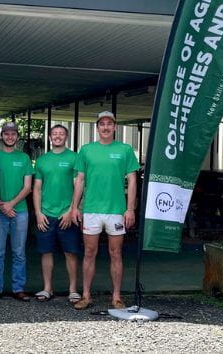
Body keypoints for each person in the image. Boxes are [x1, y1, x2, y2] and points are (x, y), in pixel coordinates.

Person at [70, 111, 139, 310]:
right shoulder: (86, 150)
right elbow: (80, 180)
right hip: (91, 209)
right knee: (89, 252)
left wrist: (130, 209)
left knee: (116, 253)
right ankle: (86, 295)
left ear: (115, 127)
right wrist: (75, 207)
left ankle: (116, 297)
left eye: (110, 123)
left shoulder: (125, 150)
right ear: (97, 127)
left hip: (116, 210)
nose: (106, 127)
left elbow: (132, 180)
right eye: (102, 124)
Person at [0, 121, 33, 302]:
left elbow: (28, 187)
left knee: (19, 251)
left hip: (20, 211)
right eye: (6, 134)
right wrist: (1, 204)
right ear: (1, 136)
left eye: (13, 134)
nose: (10, 137)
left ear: (17, 137)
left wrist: (11, 204)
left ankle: (18, 288)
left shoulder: (24, 158)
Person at [33, 124, 81, 304]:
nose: (58, 136)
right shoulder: (42, 160)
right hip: (46, 215)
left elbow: (78, 185)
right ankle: (47, 288)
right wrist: (38, 213)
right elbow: (36, 189)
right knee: (46, 252)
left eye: (61, 134)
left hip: (67, 214)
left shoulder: (74, 158)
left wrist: (71, 211)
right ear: (50, 137)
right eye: (55, 134)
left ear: (66, 137)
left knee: (71, 252)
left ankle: (73, 290)